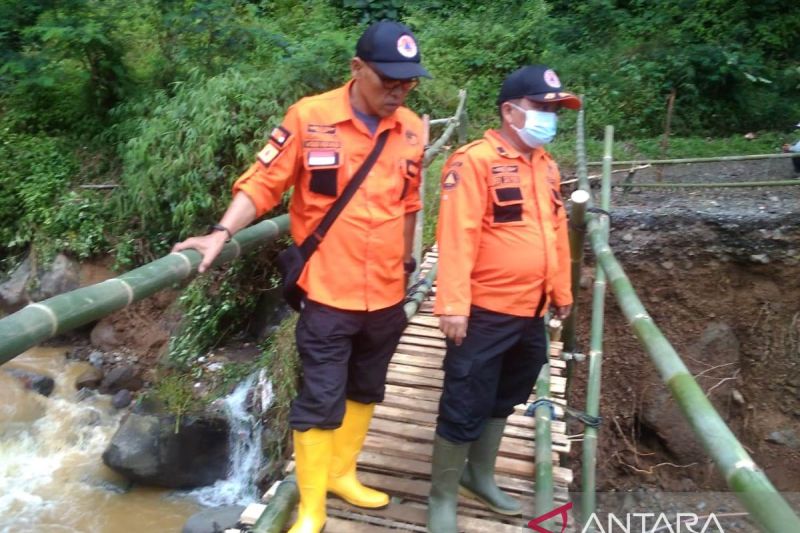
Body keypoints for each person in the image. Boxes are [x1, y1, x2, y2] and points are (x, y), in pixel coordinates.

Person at [173, 21, 430, 533]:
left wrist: (406, 264)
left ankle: (343, 473)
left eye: (408, 83)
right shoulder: (310, 118)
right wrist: (222, 231)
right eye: (388, 80)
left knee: (367, 387)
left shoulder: (413, 130)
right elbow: (264, 181)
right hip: (329, 291)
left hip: (385, 291)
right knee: (319, 399)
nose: (398, 91)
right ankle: (312, 509)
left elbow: (409, 203)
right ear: (357, 69)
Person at [427, 65, 578, 532]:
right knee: (464, 398)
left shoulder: (547, 164)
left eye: (555, 109)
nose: (550, 117)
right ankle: (442, 497)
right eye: (542, 107)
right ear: (510, 111)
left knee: (506, 396)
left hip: (530, 312)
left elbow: (555, 232)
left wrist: (561, 291)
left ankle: (480, 474)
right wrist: (452, 303)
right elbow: (457, 234)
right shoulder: (473, 161)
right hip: (483, 311)